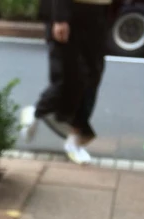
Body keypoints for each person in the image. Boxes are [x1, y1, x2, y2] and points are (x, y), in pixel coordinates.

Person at [20, 0, 112, 164]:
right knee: (68, 77)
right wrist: (60, 17)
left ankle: (74, 140)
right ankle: (38, 111)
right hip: (69, 10)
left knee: (92, 77)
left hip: (100, 11)